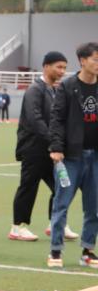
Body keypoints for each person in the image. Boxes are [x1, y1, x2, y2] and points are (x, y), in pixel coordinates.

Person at [11, 52, 80, 243]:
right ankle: (17, 227)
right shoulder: (35, 89)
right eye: (59, 67)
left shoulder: (53, 90)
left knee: (62, 186)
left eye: (64, 67)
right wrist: (54, 140)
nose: (62, 71)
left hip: (50, 150)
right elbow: (35, 120)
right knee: (28, 187)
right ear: (46, 66)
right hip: (33, 148)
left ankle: (56, 224)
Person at [47, 42, 98, 268]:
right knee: (62, 203)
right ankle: (55, 251)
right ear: (82, 61)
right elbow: (57, 119)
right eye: (96, 59)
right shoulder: (68, 86)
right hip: (71, 156)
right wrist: (56, 147)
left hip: (96, 156)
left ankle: (88, 251)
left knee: (94, 206)